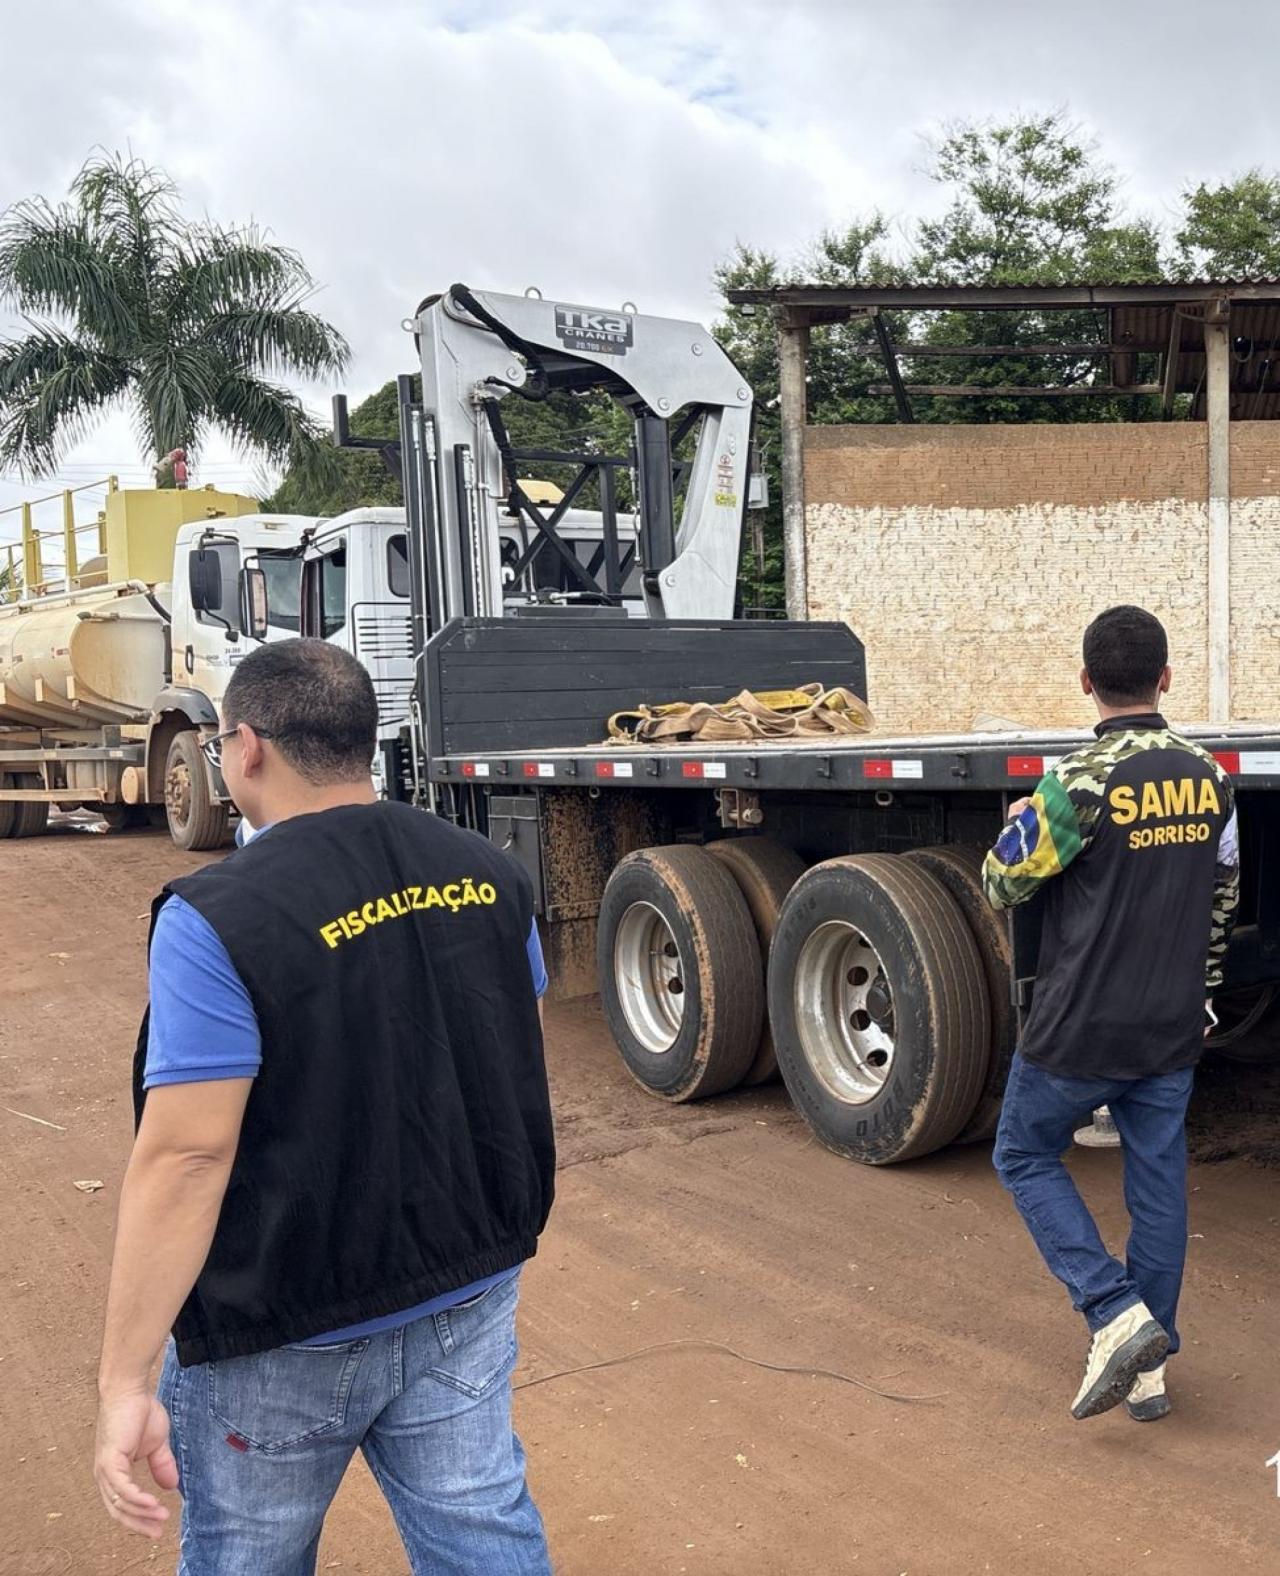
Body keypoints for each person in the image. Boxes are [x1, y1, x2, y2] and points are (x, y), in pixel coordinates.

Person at [93, 638, 555, 1573]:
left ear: (246, 748)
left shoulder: (216, 915)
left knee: (252, 1558)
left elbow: (188, 1157)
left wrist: (124, 1383)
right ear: (360, 741)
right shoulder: (487, 869)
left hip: (284, 1329)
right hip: (463, 1287)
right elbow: (506, 1038)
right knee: (482, 1533)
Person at [984, 605, 1239, 1423]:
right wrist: (1202, 992)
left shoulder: (1075, 782)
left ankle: (1113, 1312)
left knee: (1024, 1152)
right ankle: (1149, 1366)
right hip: (1171, 1024)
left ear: (1087, 682)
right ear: (1165, 678)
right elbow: (1223, 896)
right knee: (1157, 1186)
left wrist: (1018, 828)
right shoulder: (1212, 777)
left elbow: (1003, 883)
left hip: (1080, 1028)